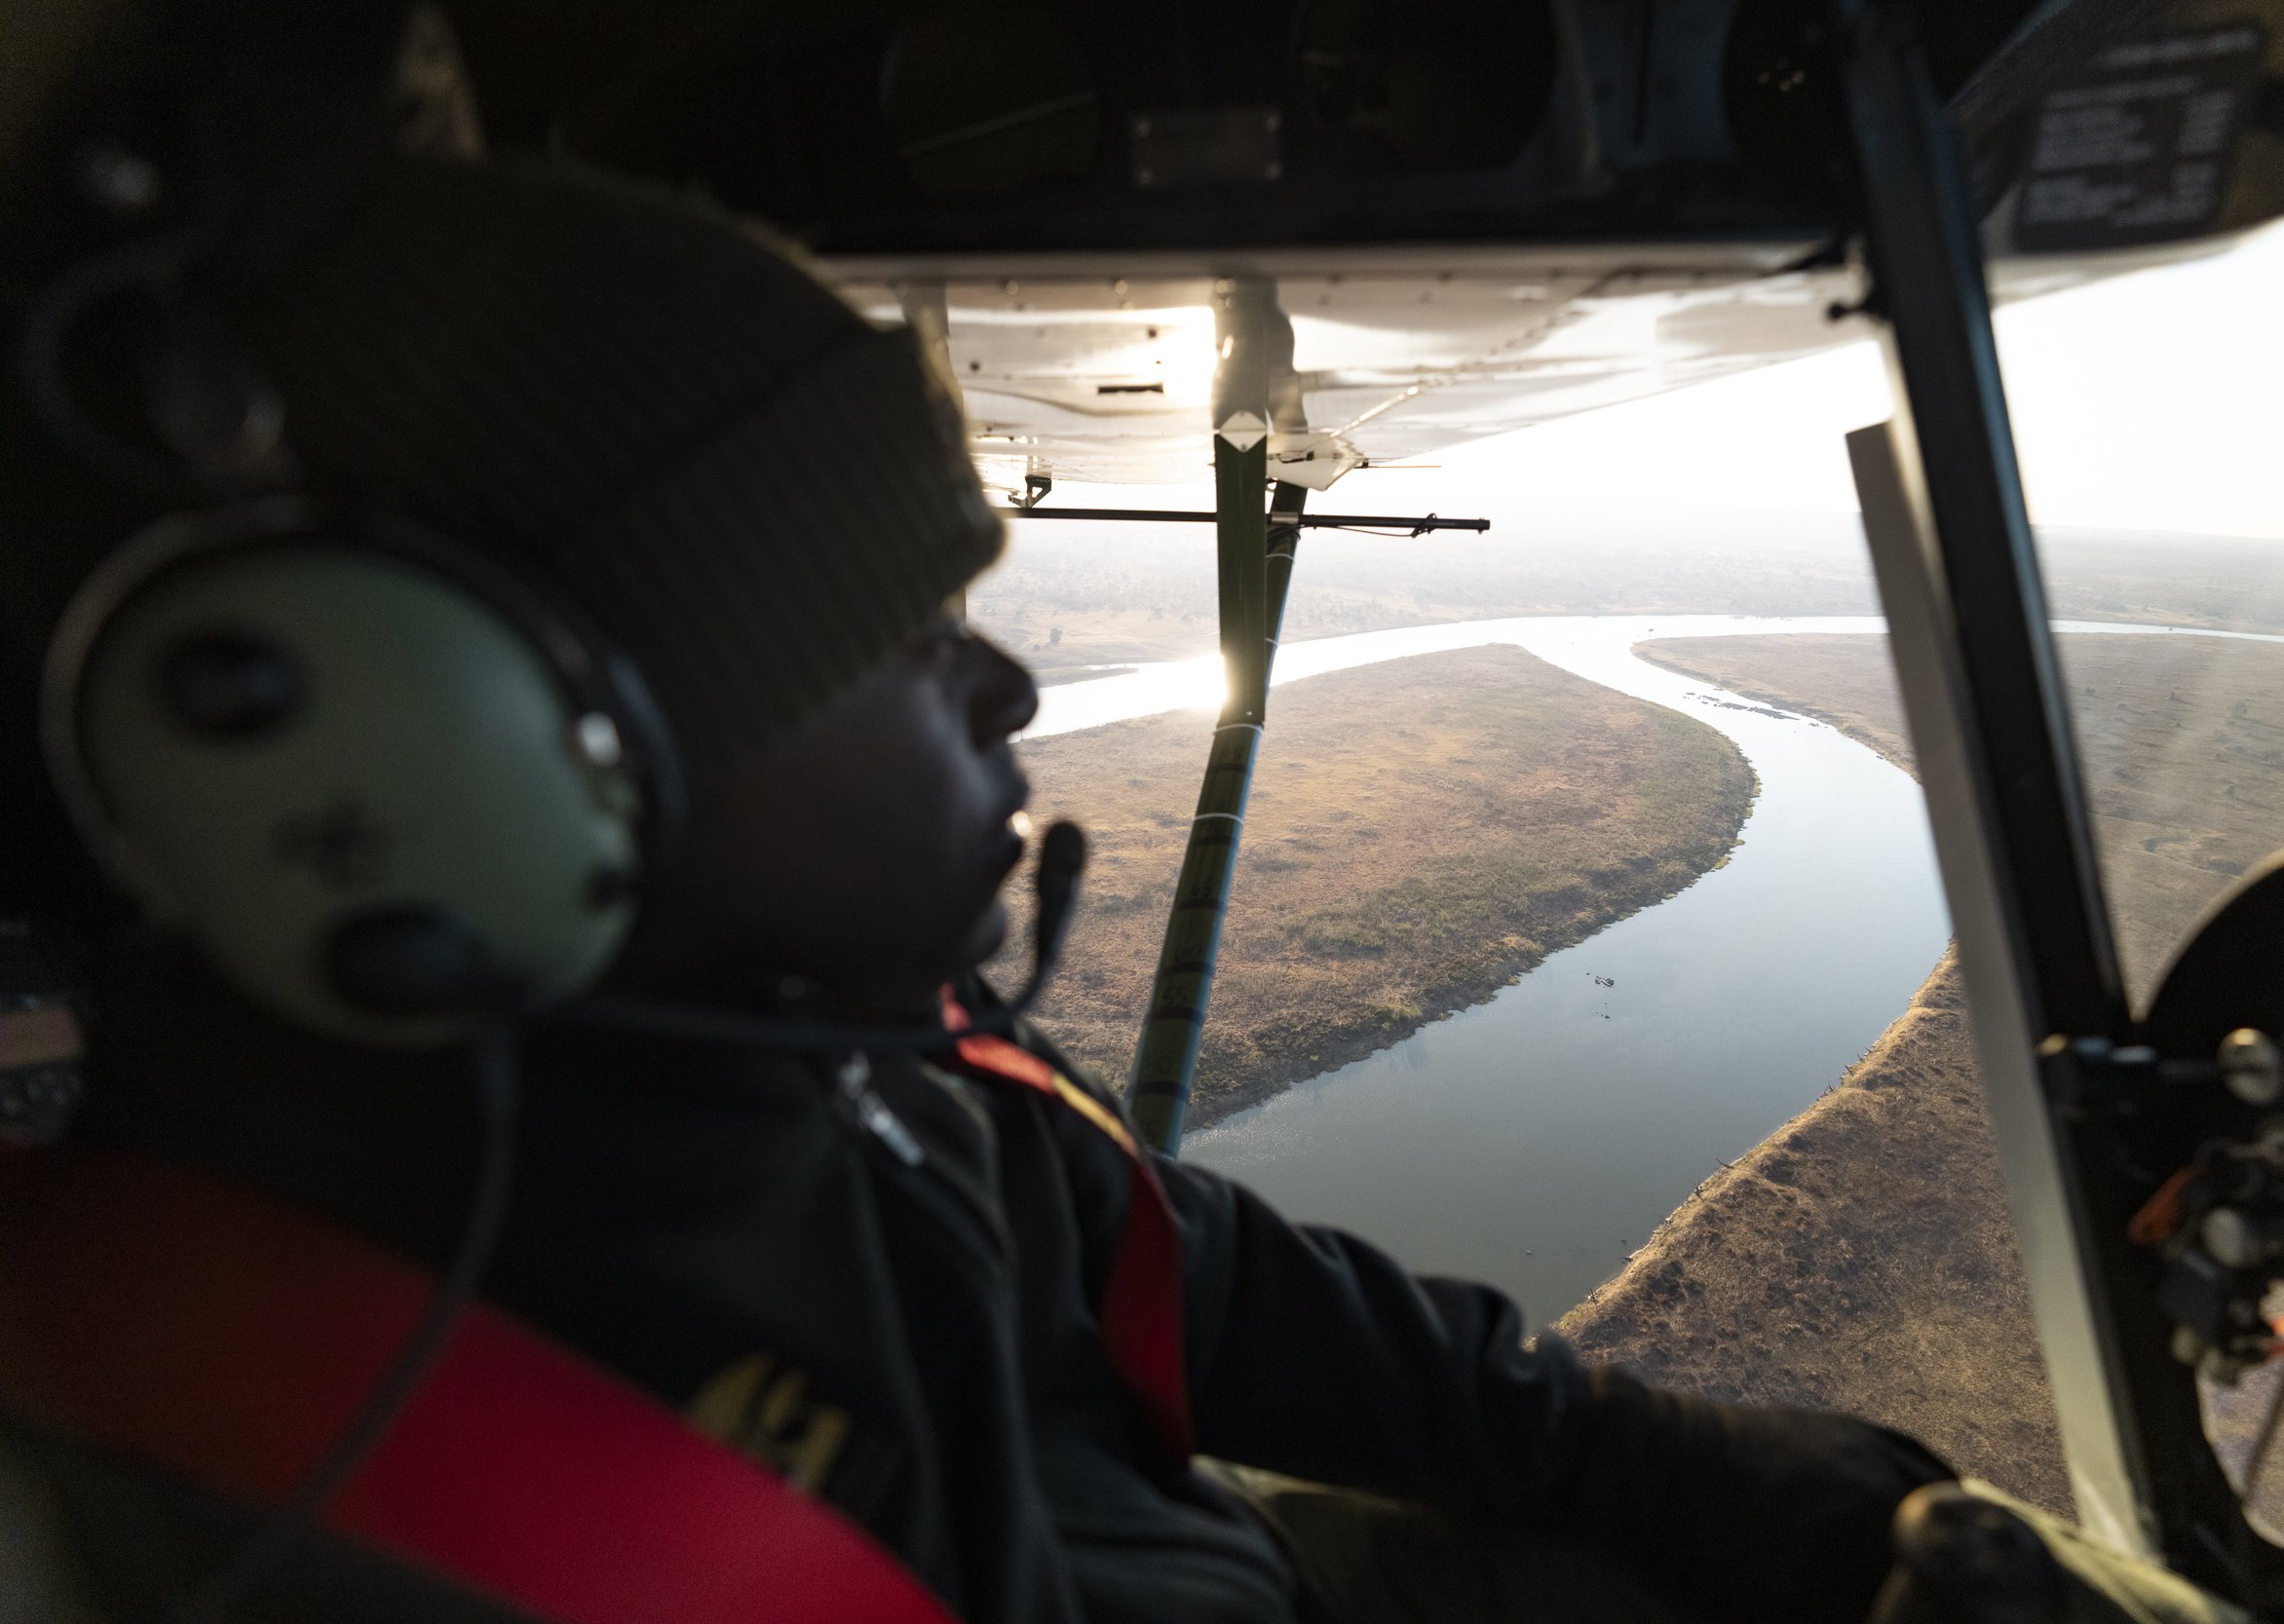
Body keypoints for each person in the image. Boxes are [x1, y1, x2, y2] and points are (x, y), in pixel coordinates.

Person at [0, 12, 1972, 1623]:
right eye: (900, 630)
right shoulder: (284, 1484)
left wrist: (1637, 1456)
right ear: (514, 759)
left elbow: (1146, 1256)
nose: (1007, 688)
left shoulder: (801, 1055)